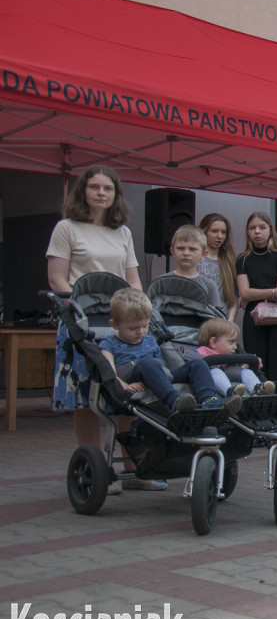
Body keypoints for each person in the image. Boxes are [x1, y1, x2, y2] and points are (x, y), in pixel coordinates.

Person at [46, 166, 149, 493]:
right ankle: (98, 468)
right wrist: (75, 313)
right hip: (82, 323)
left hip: (120, 325)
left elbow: (133, 279)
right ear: (83, 191)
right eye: (95, 187)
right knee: (85, 397)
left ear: (116, 194)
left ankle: (133, 468)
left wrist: (139, 311)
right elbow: (57, 279)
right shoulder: (66, 228)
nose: (102, 193)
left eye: (108, 188)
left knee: (127, 390)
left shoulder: (123, 233)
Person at [98, 288, 242, 415]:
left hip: (157, 374)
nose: (140, 332)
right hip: (131, 376)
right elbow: (109, 373)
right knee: (147, 363)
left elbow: (161, 367)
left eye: (144, 326)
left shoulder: (149, 340)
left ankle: (209, 400)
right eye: (133, 328)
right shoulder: (108, 344)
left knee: (197, 364)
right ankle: (175, 401)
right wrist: (124, 386)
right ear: (114, 324)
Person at [236, 211, 277, 396]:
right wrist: (272, 292)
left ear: (270, 230)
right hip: (253, 320)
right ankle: (257, 413)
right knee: (255, 363)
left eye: (262, 227)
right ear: (247, 231)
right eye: (253, 228)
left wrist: (256, 294)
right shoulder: (243, 259)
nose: (257, 232)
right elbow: (243, 292)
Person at [195, 318, 275, 397]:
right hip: (212, 378)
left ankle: (258, 389)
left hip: (231, 375)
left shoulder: (231, 355)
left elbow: (238, 368)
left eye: (236, 343)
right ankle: (229, 391)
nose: (235, 347)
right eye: (231, 342)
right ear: (213, 342)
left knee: (246, 372)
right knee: (215, 371)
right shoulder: (201, 353)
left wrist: (249, 364)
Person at [168, 225, 227, 315]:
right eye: (180, 248)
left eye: (192, 249)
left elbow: (214, 319)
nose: (186, 253)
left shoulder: (209, 285)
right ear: (172, 251)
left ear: (203, 254)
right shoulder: (163, 282)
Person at [197, 213, 238, 322]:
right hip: (198, 320)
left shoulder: (229, 261)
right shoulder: (196, 259)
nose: (219, 236)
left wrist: (230, 320)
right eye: (214, 231)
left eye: (223, 232)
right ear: (204, 231)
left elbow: (233, 297)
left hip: (222, 321)